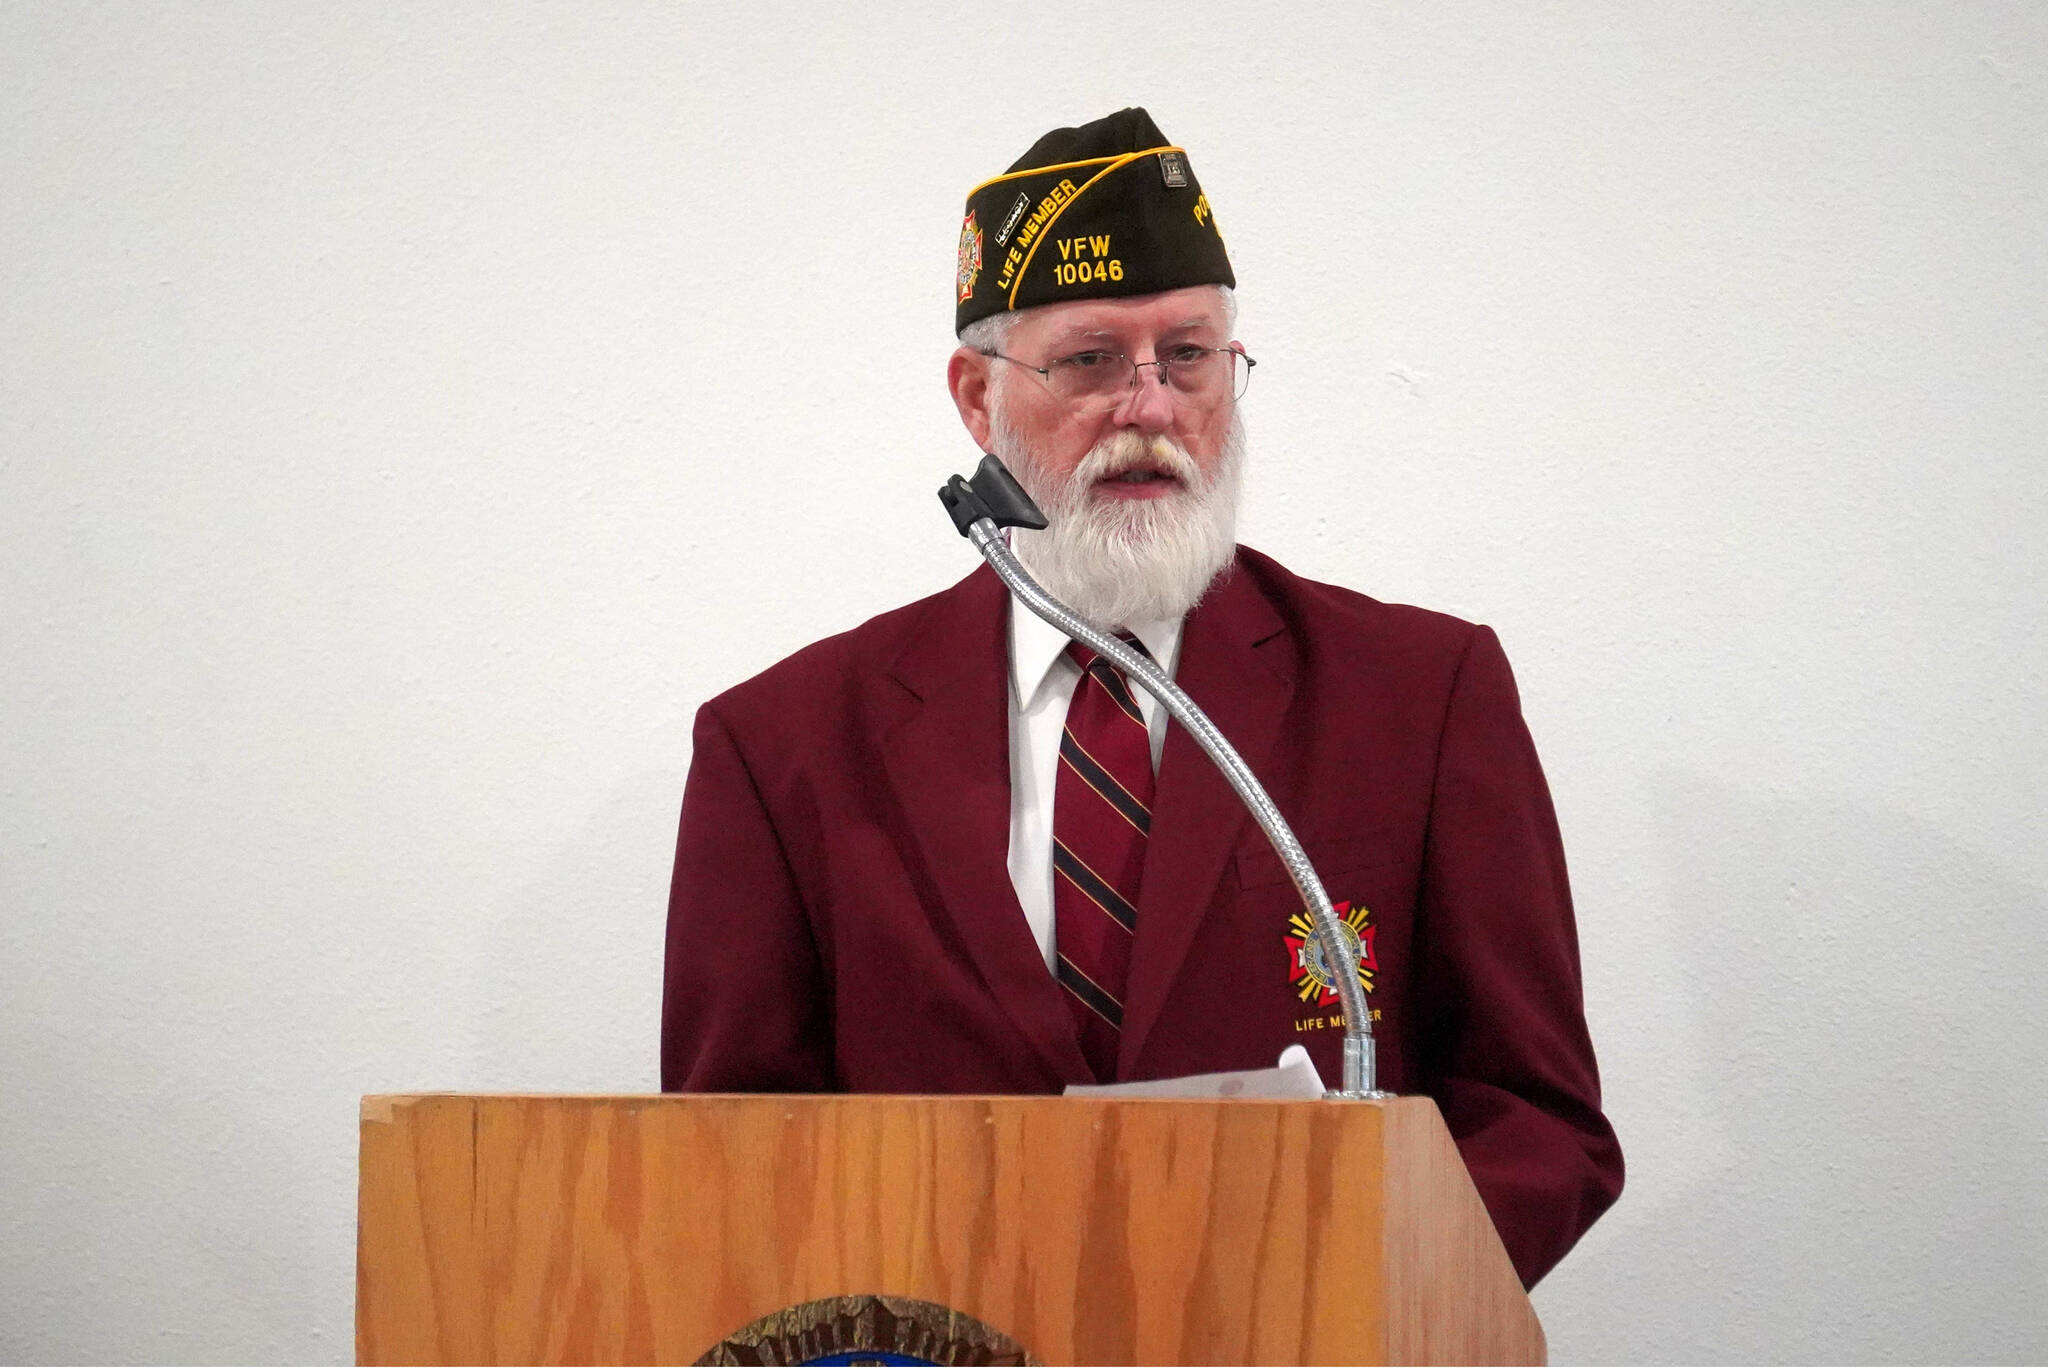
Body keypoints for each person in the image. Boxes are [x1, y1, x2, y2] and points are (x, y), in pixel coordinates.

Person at [661, 107, 1622, 1287]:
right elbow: (725, 1157)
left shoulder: (1420, 697)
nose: (1150, 407)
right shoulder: (784, 747)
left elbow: (1537, 1120)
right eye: (1089, 361)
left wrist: (1352, 1294)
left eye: (1188, 356)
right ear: (976, 397)